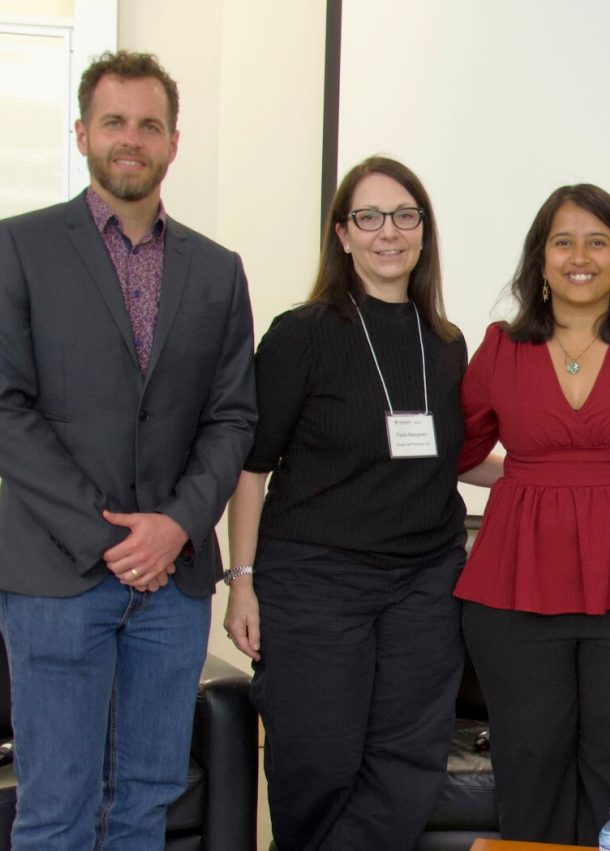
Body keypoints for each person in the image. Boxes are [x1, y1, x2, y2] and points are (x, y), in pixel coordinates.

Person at [0, 51, 257, 849]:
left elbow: (233, 417)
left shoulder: (217, 271)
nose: (132, 138)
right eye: (115, 122)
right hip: (56, 577)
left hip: (174, 584)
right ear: (83, 132)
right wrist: (110, 537)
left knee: (145, 808)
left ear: (173, 142)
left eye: (149, 125)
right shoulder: (16, 247)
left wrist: (176, 525)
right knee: (55, 812)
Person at [223, 155, 497, 850]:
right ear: (342, 235)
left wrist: (557, 468)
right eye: (368, 217)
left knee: (406, 760)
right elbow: (251, 467)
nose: (388, 232)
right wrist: (241, 580)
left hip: (424, 582)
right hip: (315, 580)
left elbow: (451, 455)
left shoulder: (446, 343)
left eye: (405, 215)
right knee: (317, 757)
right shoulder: (302, 334)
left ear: (424, 232)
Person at [456, 183, 610, 845]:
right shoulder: (500, 346)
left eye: (598, 241)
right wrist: (534, 477)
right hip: (515, 586)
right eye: (562, 242)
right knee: (528, 761)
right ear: (540, 259)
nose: (580, 256)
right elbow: (459, 451)